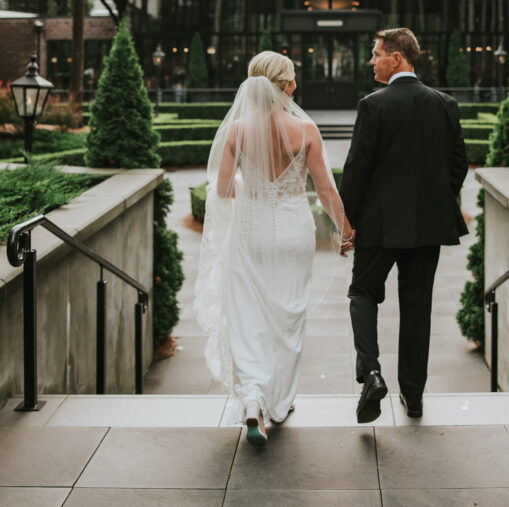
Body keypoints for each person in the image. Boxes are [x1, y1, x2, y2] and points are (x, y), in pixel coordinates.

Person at [193, 51, 353, 447]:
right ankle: (280, 404)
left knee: (249, 316)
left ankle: (252, 401)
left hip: (251, 230)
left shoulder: (237, 131)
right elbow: (326, 190)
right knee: (288, 315)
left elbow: (224, 190)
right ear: (286, 86)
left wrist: (255, 189)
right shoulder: (306, 130)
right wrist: (348, 232)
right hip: (294, 232)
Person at [339, 27, 468, 423]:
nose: (372, 60)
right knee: (417, 308)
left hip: (379, 226)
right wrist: (434, 204)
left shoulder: (372, 105)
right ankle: (413, 397)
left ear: (397, 59)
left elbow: (356, 170)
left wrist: (350, 222)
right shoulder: (445, 104)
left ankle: (372, 373)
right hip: (427, 227)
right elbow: (458, 165)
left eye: (377, 54)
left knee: (362, 292)